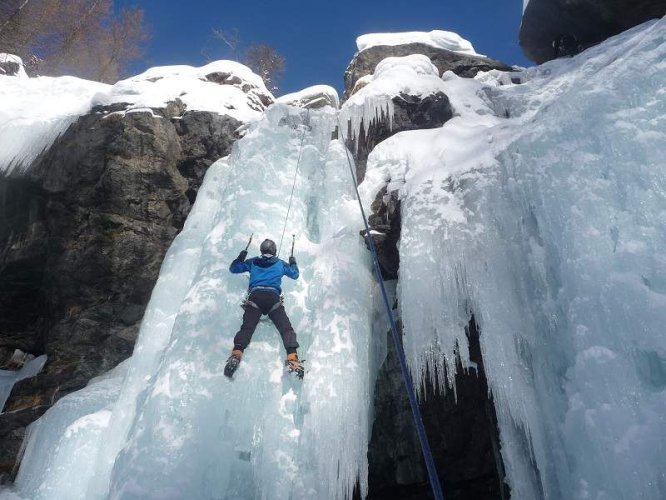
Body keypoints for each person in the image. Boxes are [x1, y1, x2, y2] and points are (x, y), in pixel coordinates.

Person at [224, 238, 304, 379]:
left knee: (247, 328)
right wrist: (293, 262)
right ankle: (292, 358)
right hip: (273, 298)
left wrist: (241, 256)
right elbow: (295, 274)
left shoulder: (253, 261)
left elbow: (234, 268)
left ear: (261, 250)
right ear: (274, 250)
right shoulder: (280, 263)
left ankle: (236, 354)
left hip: (255, 297)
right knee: (285, 328)